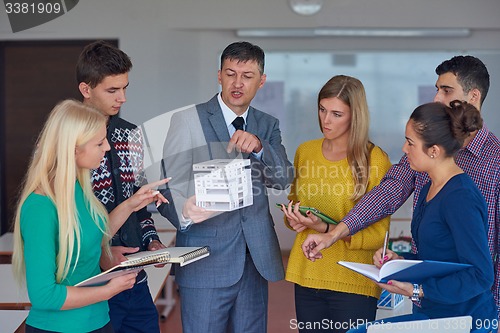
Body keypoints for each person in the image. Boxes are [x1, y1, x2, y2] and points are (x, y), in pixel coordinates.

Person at [301, 55, 500, 313]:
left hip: (471, 307)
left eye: (446, 90)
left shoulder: (493, 162)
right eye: (437, 89)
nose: (437, 98)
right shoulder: (425, 169)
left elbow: (482, 267)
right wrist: (335, 234)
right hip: (429, 301)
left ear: (473, 97)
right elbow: (388, 192)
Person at [157, 41, 293, 333]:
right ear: (219, 75)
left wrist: (260, 147)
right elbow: (166, 188)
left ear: (261, 81)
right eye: (230, 74)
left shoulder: (267, 124)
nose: (238, 83)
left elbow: (282, 179)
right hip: (205, 260)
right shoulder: (187, 120)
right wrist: (183, 208)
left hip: (255, 260)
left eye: (247, 76)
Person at [11, 100, 168, 333]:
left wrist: (132, 204)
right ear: (74, 149)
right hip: (59, 328)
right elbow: (44, 296)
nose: (107, 148)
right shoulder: (39, 207)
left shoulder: (80, 190)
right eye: (99, 143)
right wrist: (110, 289)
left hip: (98, 322)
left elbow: (98, 233)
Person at [346, 101, 497, 333]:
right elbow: (439, 255)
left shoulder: (461, 198)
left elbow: (481, 275)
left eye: (410, 143)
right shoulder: (428, 187)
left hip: (466, 319)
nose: (404, 150)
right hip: (434, 313)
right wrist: (399, 261)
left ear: (434, 151)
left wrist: (416, 290)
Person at [278, 75, 391, 333]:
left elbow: (379, 235)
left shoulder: (375, 160)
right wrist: (293, 218)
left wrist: (326, 229)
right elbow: (294, 203)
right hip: (308, 275)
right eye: (322, 109)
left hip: (353, 281)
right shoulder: (306, 151)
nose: (325, 120)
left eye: (337, 114)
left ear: (355, 116)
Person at [76, 40, 166, 332]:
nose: (122, 98)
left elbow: (138, 202)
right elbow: (65, 217)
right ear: (86, 89)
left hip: (135, 277)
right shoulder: (64, 141)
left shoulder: (131, 135)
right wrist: (103, 252)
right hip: (92, 280)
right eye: (113, 90)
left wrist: (151, 240)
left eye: (125, 88)